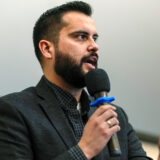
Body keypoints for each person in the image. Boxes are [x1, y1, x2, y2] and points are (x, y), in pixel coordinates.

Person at [0, 1, 152, 160]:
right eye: (81, 36)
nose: (94, 46)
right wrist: (84, 150)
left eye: (94, 38)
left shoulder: (116, 115)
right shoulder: (13, 111)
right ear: (47, 49)